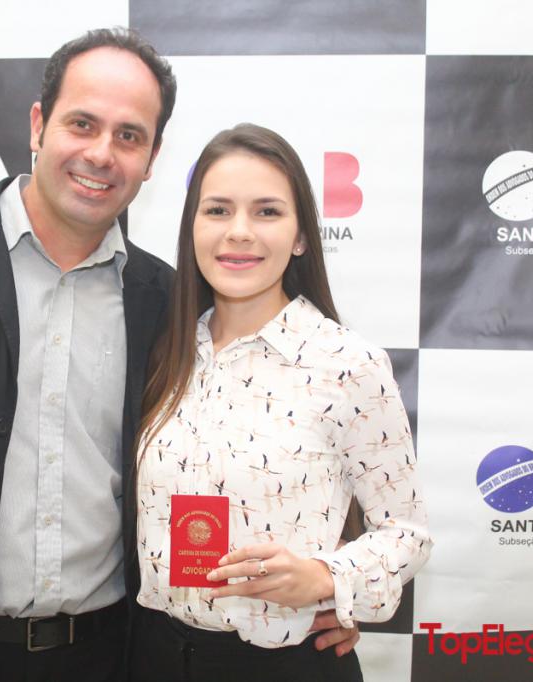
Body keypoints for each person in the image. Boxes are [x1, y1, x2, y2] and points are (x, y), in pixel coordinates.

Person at [0, 28, 359, 681]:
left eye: (129, 136)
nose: (101, 154)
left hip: (111, 656)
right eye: (82, 124)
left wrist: (332, 580)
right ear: (39, 124)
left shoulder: (170, 303)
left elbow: (246, 459)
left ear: (152, 158)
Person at [130, 124, 432, 681]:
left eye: (267, 211)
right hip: (155, 656)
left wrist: (327, 577)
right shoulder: (163, 349)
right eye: (217, 210)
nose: (239, 232)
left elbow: (406, 533)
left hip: (285, 665)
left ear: (300, 237)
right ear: (192, 228)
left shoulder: (347, 364)